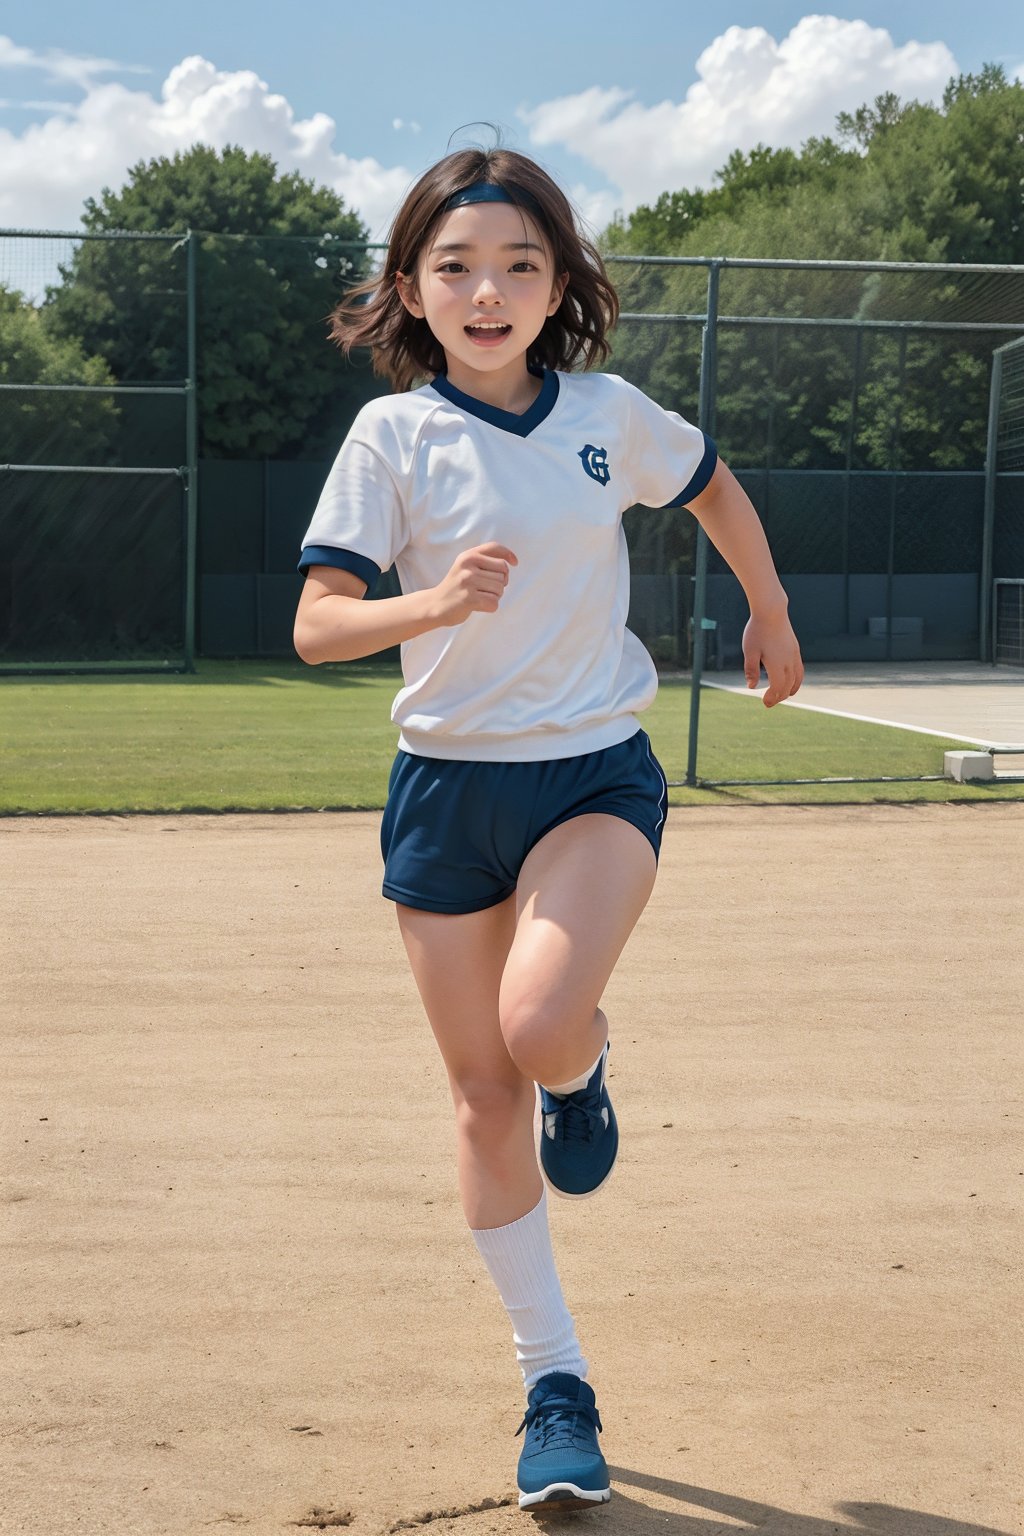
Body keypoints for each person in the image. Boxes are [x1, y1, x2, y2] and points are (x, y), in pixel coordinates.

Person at [293, 145, 803, 1511]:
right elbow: (318, 625)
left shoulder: (608, 413)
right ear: (410, 288)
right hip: (447, 790)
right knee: (479, 1098)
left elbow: (711, 484)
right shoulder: (391, 438)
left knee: (537, 1030)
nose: (488, 288)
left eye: (522, 263)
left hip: (592, 774)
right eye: (455, 265)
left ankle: (582, 1071)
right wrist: (431, 606)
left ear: (559, 284)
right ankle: (553, 1383)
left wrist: (770, 605)